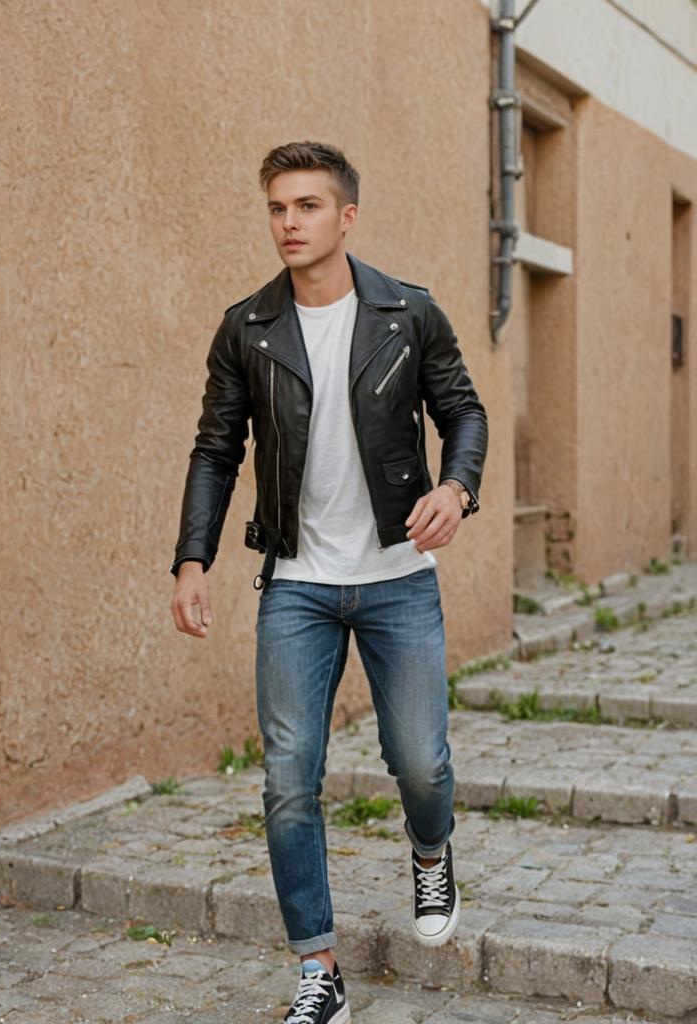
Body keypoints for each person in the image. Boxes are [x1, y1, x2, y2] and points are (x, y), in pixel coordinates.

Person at [170, 141, 488, 1024]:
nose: (289, 223)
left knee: (420, 763)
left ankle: (431, 854)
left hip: (398, 578)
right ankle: (318, 968)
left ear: (346, 216)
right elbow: (215, 448)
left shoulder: (407, 313)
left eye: (307, 206)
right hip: (299, 584)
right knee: (287, 779)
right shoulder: (248, 327)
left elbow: (462, 410)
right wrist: (193, 558)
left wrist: (456, 488)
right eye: (277, 207)